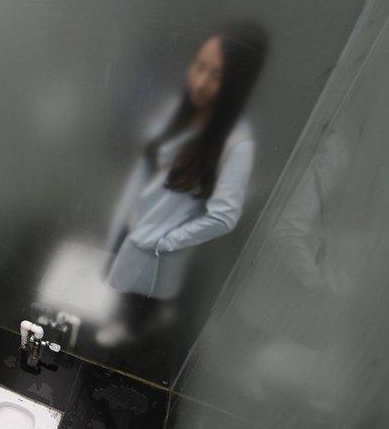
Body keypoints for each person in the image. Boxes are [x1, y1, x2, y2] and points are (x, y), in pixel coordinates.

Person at [98, 21, 269, 346]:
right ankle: (136, 315)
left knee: (141, 298)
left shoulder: (236, 143)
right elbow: (147, 164)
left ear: (236, 83)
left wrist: (167, 241)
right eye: (199, 67)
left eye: (216, 74)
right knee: (124, 282)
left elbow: (224, 216)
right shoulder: (179, 109)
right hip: (134, 226)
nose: (201, 81)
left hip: (157, 243)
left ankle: (135, 327)